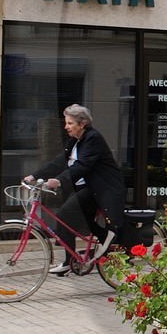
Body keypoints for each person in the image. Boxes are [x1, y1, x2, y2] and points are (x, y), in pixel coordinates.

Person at [25, 104, 125, 276]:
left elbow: (83, 165)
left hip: (101, 188)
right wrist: (34, 176)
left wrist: (59, 180)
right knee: (67, 219)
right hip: (85, 187)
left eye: (70, 123)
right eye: (66, 123)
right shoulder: (76, 141)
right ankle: (69, 261)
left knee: (65, 214)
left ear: (82, 123)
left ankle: (108, 237)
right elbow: (59, 161)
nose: (66, 127)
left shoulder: (93, 138)